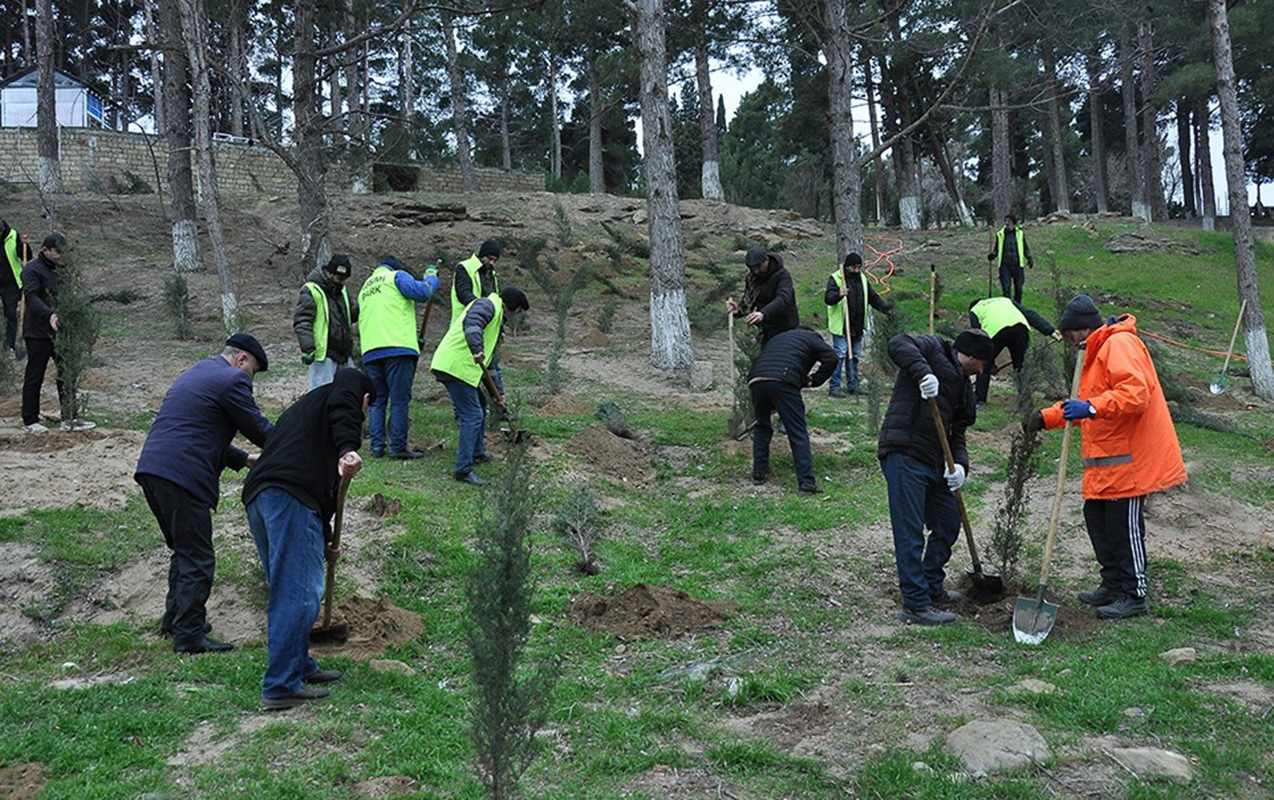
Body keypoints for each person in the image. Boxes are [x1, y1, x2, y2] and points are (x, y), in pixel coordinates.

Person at [1029, 295, 1186, 620]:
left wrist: (1092, 407)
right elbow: (1083, 401)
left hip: (1129, 463)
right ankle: (1112, 585)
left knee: (1122, 529)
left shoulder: (1119, 345)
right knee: (1098, 523)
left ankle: (1134, 594)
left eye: (1070, 335)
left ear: (1083, 328)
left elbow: (1136, 394)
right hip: (1105, 463)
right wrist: (1047, 417)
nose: (1070, 342)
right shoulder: (1096, 351)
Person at [134, 334, 274, 653]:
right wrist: (291, 447)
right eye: (251, 371)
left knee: (184, 550)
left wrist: (244, 458)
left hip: (153, 469)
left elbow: (195, 429)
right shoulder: (232, 380)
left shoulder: (198, 372)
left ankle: (176, 620)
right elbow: (258, 428)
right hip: (183, 475)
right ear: (241, 361)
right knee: (198, 556)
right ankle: (189, 636)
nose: (249, 379)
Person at [243, 367, 373, 710]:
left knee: (289, 586)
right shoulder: (345, 391)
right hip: (288, 498)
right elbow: (347, 395)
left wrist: (326, 540)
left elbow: (322, 487)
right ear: (366, 399)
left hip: (263, 497)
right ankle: (280, 686)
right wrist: (349, 447)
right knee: (299, 592)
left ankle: (300, 666)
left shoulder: (306, 414)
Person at [879, 329, 992, 625]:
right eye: (982, 363)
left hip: (934, 459)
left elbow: (958, 433)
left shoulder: (965, 390)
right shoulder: (933, 349)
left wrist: (960, 466)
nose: (983, 370)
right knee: (910, 530)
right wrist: (923, 374)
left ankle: (930, 583)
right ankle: (915, 604)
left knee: (948, 521)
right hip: (904, 450)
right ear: (970, 356)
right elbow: (897, 342)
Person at [430, 286, 530, 485]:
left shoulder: (496, 320)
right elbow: (473, 323)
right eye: (517, 312)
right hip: (456, 367)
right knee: (473, 415)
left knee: (481, 405)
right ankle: (463, 470)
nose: (515, 317)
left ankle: (477, 453)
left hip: (462, 368)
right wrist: (477, 348)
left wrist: (498, 395)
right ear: (511, 307)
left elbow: (490, 366)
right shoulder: (488, 305)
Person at [357, 256, 440, 459]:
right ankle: (398, 448)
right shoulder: (396, 277)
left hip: (371, 351)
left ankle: (377, 447)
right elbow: (424, 292)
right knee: (399, 400)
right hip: (397, 348)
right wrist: (431, 278)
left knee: (377, 401)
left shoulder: (365, 288)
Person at [747, 326, 837, 493]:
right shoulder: (812, 338)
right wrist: (814, 381)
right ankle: (806, 483)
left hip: (756, 379)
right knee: (797, 431)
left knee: (762, 426)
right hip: (784, 378)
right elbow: (832, 358)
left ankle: (758, 473)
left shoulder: (779, 337)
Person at [20, 232, 94, 432]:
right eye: (58, 252)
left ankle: (69, 417)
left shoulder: (64, 270)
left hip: (62, 332)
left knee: (67, 374)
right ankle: (30, 419)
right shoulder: (32, 270)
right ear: (45, 250)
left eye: (64, 252)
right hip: (37, 332)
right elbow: (32, 297)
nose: (62, 255)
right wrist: (50, 315)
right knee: (35, 375)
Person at [968, 296, 1062, 404]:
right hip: (1020, 328)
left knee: (984, 364)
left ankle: (980, 401)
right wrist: (1050, 330)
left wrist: (987, 361)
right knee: (1021, 366)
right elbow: (1029, 314)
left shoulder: (974, 310)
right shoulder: (1005, 300)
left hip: (995, 332)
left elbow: (978, 335)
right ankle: (1025, 399)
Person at [823, 252, 890, 396]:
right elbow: (828, 298)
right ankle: (834, 387)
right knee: (840, 356)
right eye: (854, 267)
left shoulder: (863, 279)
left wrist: (885, 309)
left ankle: (853, 385)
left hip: (857, 325)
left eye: (859, 267)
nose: (856, 270)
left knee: (854, 357)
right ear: (847, 267)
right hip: (842, 325)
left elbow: (872, 297)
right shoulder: (836, 278)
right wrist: (839, 294)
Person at [293, 254, 358, 390]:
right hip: (324, 354)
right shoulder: (311, 290)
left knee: (348, 393)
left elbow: (349, 315)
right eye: (340, 278)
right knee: (320, 396)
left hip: (344, 353)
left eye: (345, 279)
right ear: (329, 273)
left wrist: (362, 306)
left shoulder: (342, 291)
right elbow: (303, 320)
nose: (342, 282)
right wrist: (308, 349)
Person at [726, 245, 799, 346]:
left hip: (786, 327)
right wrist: (738, 310)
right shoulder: (752, 278)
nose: (756, 271)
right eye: (752, 268)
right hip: (765, 330)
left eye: (758, 266)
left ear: (766, 260)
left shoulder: (782, 275)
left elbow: (784, 298)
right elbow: (749, 300)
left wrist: (763, 313)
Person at [1, 217, 31, 360]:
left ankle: (10, 345)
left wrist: (25, 245)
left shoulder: (13, 235)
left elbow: (28, 256)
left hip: (11, 283)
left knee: (10, 314)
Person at [451, 238, 502, 319]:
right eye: (490, 259)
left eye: (495, 260)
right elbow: (463, 294)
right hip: (463, 322)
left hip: (484, 322)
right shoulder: (464, 267)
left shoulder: (492, 273)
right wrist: (483, 308)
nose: (492, 263)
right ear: (483, 255)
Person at [988, 214, 1033, 302]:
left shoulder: (1020, 234)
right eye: (1005, 221)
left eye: (1009, 221)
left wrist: (1029, 258)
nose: (1007, 223)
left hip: (1018, 265)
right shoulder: (1000, 235)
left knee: (1019, 288)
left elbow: (1025, 247)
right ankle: (1008, 307)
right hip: (1005, 265)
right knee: (1006, 288)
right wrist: (992, 255)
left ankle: (1018, 306)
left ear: (1013, 223)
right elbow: (997, 250)